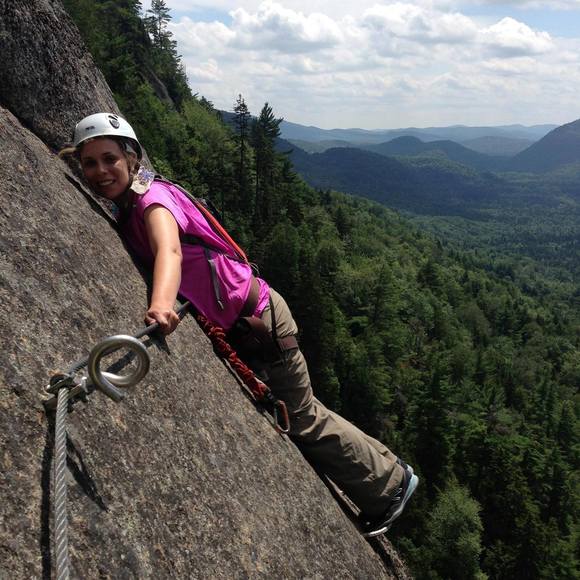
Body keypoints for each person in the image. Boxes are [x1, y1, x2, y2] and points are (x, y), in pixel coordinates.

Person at [61, 112, 418, 537]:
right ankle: (390, 472)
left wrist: (160, 305)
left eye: (110, 159)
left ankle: (390, 489)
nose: (101, 171)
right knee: (303, 409)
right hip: (247, 318)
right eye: (90, 163)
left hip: (260, 318)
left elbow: (170, 251)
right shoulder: (131, 205)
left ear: (131, 159)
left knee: (301, 417)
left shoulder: (152, 201)